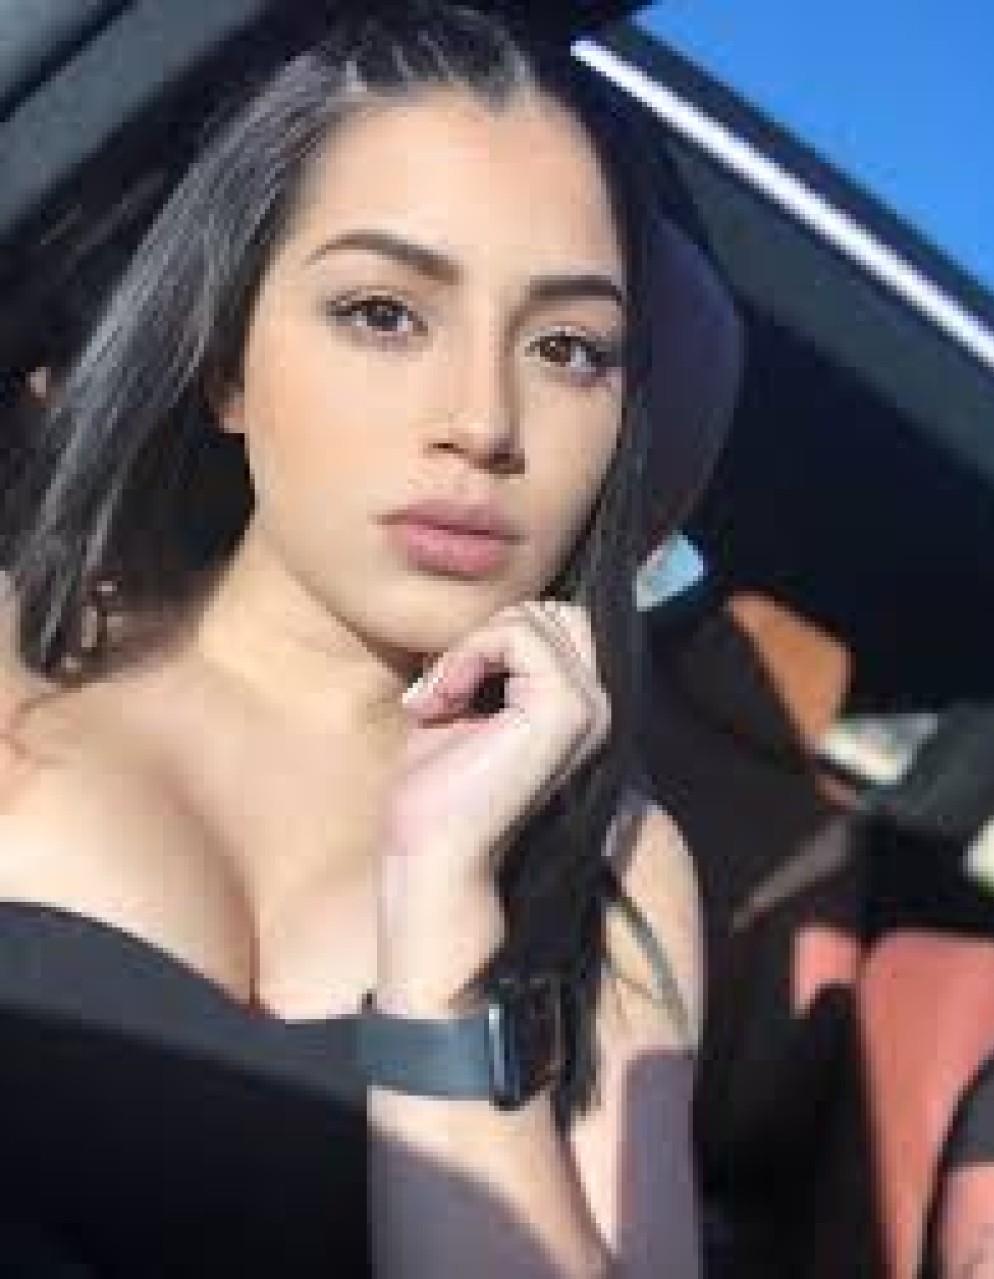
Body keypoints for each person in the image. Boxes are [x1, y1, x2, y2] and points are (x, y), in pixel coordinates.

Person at [0, 4, 703, 1275]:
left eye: (567, 348)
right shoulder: (17, 658)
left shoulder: (608, 858)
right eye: (383, 313)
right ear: (226, 361)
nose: (483, 421)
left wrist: (443, 936)